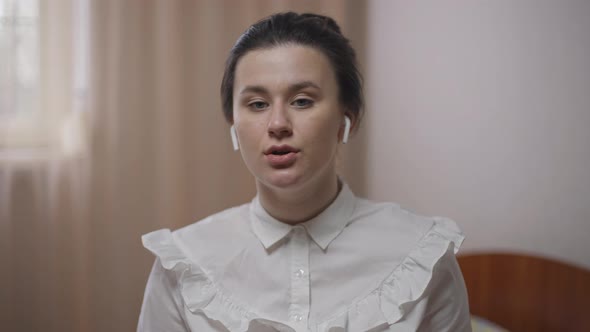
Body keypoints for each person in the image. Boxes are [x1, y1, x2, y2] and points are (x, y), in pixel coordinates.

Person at [138, 12, 471, 332]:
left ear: (348, 118)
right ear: (233, 126)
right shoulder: (185, 264)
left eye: (302, 101)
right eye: (257, 104)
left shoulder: (421, 255)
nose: (278, 124)